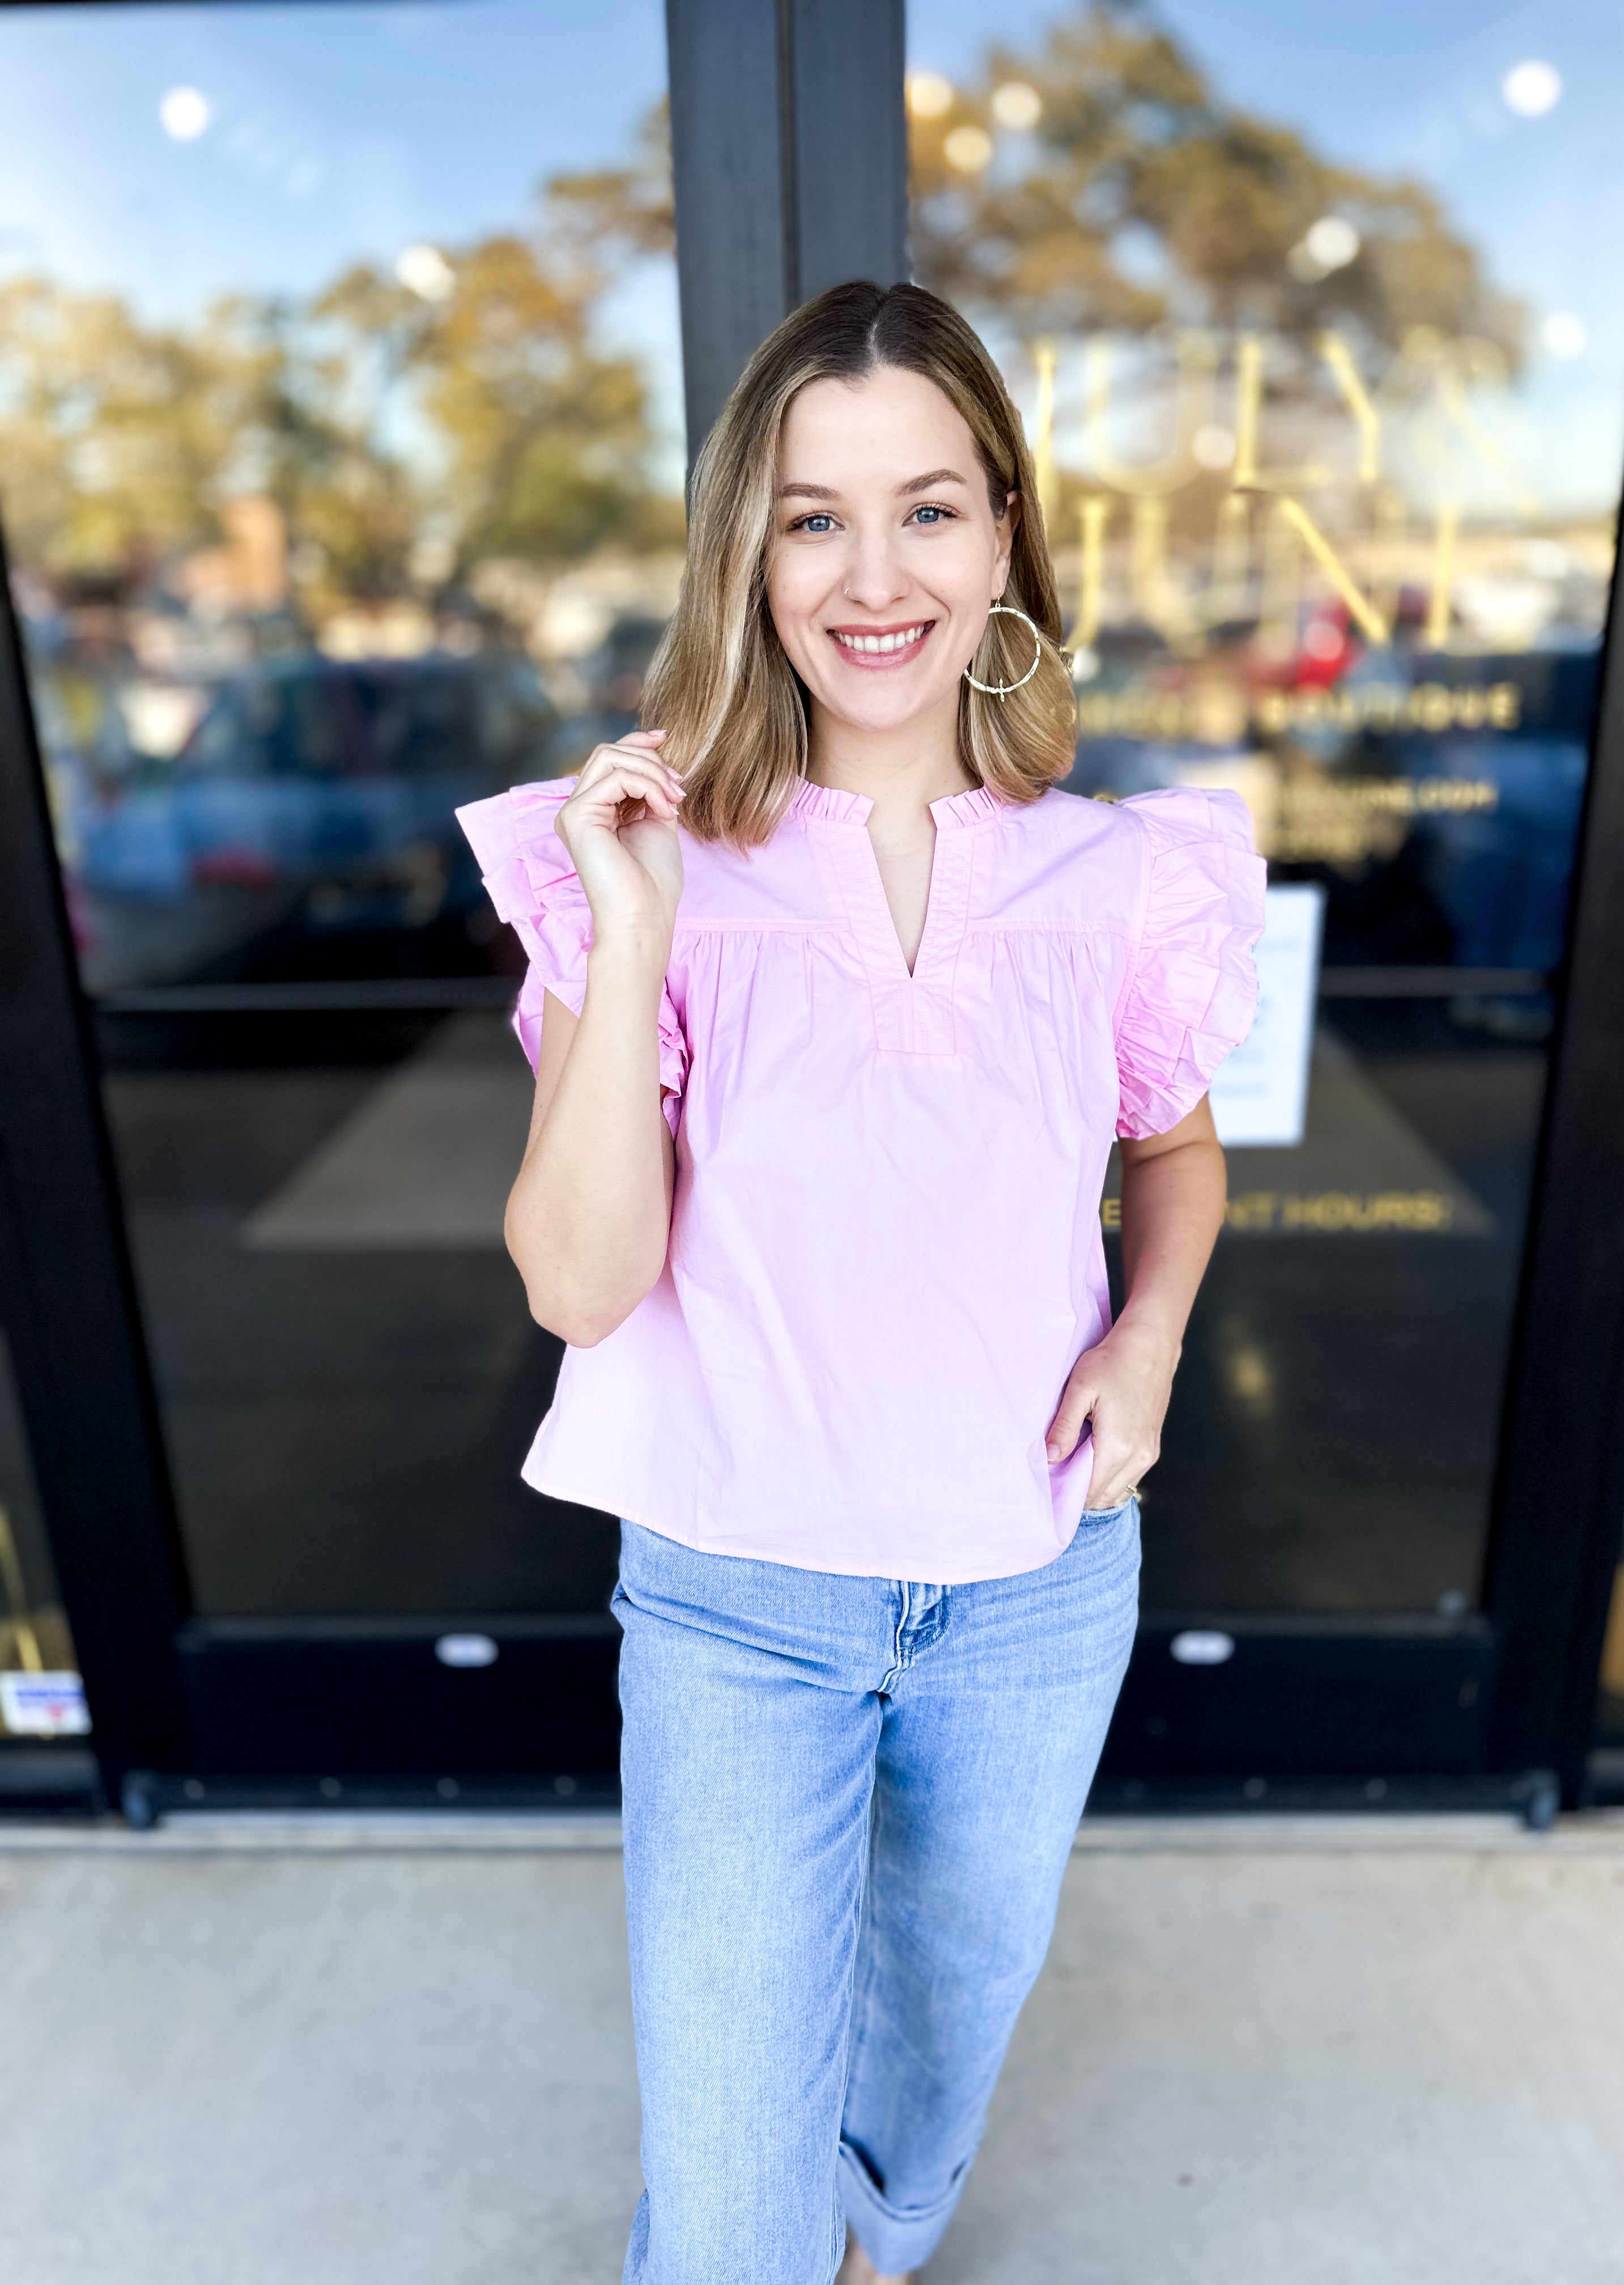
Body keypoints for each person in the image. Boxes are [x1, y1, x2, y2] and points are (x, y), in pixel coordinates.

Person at [457, 279, 1264, 2285]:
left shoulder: (1120, 874)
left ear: (1005, 537)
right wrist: (632, 940)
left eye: (927, 508)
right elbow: (577, 1286)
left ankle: (879, 2241)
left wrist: (1150, 1339)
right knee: (725, 2215)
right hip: (742, 1601)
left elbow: (1167, 1144)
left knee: (930, 2061)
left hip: (1034, 1579)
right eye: (813, 516)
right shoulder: (634, 869)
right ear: (749, 549)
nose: (872, 573)